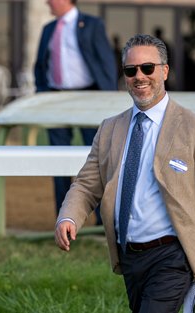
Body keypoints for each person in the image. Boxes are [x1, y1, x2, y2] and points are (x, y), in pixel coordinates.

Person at [55, 34, 195, 312]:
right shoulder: (110, 128)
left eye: (148, 68)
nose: (140, 76)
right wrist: (69, 216)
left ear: (164, 71)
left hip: (173, 256)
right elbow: (88, 184)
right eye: (131, 70)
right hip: (129, 257)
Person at [34, 0, 117, 216]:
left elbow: (106, 62)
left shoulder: (91, 24)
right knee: (58, 158)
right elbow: (41, 65)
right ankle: (64, 217)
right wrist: (42, 93)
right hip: (56, 100)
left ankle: (102, 219)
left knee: (96, 157)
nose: (47, 2)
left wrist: (108, 99)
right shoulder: (49, 29)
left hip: (88, 99)